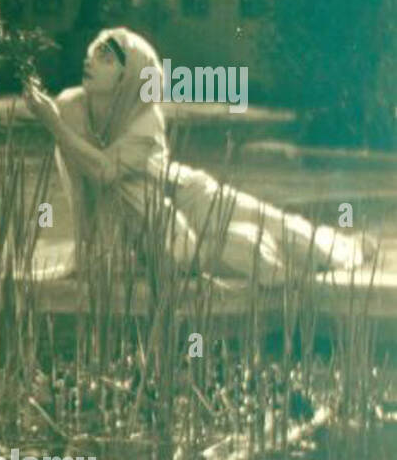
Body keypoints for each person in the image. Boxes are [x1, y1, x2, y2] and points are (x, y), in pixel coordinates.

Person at [22, 26, 373, 279]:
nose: (91, 59)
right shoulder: (71, 108)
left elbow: (103, 171)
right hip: (158, 215)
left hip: (189, 195)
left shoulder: (145, 121)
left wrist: (54, 126)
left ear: (129, 77)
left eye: (106, 57)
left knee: (284, 229)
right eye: (94, 51)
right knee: (246, 254)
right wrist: (86, 254)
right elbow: (83, 191)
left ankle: (349, 249)